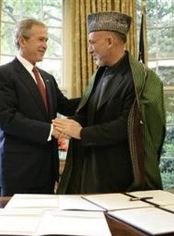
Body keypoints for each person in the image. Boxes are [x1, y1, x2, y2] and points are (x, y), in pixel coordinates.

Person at [53, 11, 166, 194]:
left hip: (118, 175)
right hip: (90, 166)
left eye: (92, 43)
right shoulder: (100, 73)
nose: (89, 50)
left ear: (109, 41)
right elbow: (90, 111)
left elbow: (128, 126)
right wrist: (67, 125)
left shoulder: (140, 79)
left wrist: (81, 132)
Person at [0, 18, 80, 196]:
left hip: (47, 170)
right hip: (19, 170)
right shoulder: (2, 75)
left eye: (46, 40)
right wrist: (51, 130)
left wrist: (96, 94)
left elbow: (67, 106)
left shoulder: (47, 78)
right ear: (22, 40)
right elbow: (7, 119)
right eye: (40, 39)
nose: (45, 45)